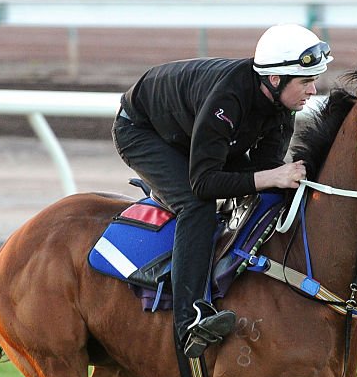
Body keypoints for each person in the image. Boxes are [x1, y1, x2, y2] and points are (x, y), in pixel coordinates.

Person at [112, 24, 332, 358]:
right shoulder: (228, 99)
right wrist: (271, 176)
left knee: (272, 193)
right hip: (143, 131)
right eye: (305, 82)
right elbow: (205, 183)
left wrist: (277, 179)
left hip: (190, 131)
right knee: (195, 205)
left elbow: (264, 174)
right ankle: (190, 318)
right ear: (276, 80)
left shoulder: (282, 109)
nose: (313, 90)